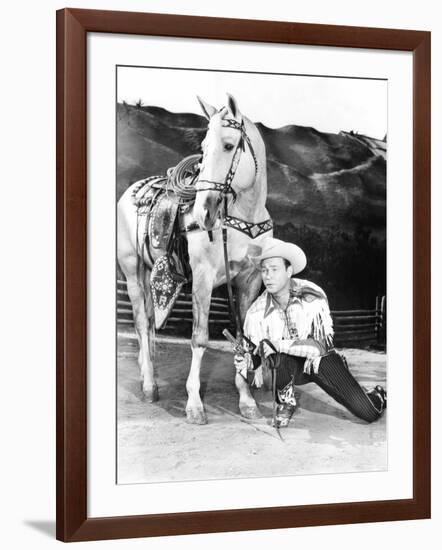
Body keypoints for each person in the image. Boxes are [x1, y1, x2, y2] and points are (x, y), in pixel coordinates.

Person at [234, 237, 386, 428]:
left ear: (289, 271)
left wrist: (277, 343)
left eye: (274, 269)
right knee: (276, 355)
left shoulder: (312, 295)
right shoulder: (256, 313)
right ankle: (286, 401)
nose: (268, 276)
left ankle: (377, 394)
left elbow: (321, 347)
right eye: (264, 271)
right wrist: (246, 362)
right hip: (287, 366)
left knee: (368, 413)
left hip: (319, 361)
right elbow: (256, 356)